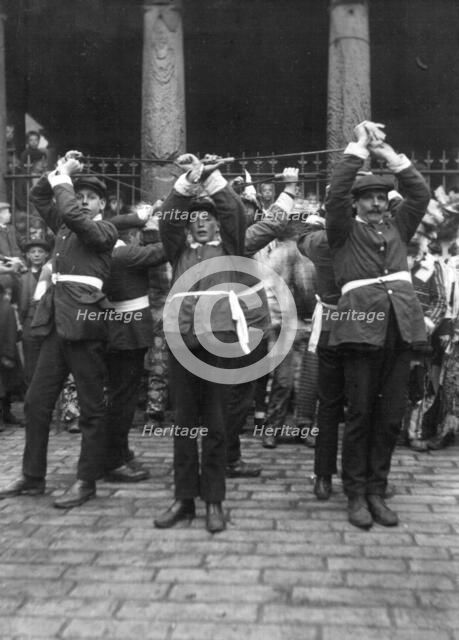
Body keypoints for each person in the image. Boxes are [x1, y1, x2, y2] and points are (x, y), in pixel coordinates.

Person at [325, 121, 430, 529]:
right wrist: (357, 149)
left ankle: (376, 489)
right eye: (366, 199)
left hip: (401, 329)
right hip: (360, 330)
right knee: (360, 414)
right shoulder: (342, 232)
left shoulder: (399, 228)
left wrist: (389, 157)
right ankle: (355, 493)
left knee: (389, 417)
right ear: (356, 205)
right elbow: (335, 195)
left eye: (380, 198)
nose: (375, 204)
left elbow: (418, 193)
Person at [0, 152, 118, 508]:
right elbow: (39, 198)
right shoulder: (67, 226)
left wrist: (65, 179)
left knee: (91, 407)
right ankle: (33, 477)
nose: (82, 199)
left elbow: (70, 212)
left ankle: (86, 482)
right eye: (78, 193)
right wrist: (56, 171)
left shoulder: (104, 229)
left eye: (91, 197)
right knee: (36, 403)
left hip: (84, 326)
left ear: (103, 204)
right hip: (55, 325)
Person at [154, 153, 246, 533]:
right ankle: (184, 499)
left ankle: (214, 501)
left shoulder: (232, 248)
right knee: (185, 424)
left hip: (218, 344)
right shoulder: (178, 251)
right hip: (182, 344)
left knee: (215, 424)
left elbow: (235, 213)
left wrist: (211, 178)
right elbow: (166, 220)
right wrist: (186, 183)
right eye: (195, 217)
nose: (202, 222)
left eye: (208, 217)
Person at [103, 203, 166, 482]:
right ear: (132, 235)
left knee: (121, 397)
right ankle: (114, 459)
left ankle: (119, 451)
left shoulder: (113, 251)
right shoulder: (124, 254)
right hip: (126, 336)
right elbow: (166, 249)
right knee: (122, 401)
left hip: (121, 334)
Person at [19, 239, 50, 386]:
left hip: (48, 324)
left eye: (40, 252)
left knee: (48, 361)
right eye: (33, 252)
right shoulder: (23, 277)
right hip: (29, 324)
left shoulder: (51, 275)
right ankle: (30, 395)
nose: (36, 255)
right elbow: (21, 305)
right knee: (31, 362)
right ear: (27, 256)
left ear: (46, 255)